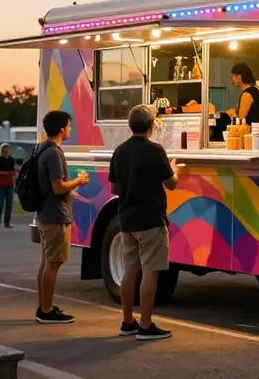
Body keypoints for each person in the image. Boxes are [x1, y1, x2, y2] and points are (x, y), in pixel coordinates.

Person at [109, 104, 178, 341]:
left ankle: (127, 322)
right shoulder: (155, 150)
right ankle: (146, 325)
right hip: (151, 219)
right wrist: (175, 168)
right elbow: (171, 183)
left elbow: (114, 188)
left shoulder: (119, 151)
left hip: (126, 219)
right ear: (151, 126)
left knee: (130, 270)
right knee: (150, 271)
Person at [34, 110, 90, 324]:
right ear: (61, 129)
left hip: (45, 214)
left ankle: (43, 307)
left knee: (46, 263)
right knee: (53, 264)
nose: (70, 129)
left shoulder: (42, 149)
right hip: (55, 216)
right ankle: (47, 311)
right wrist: (79, 180)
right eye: (69, 125)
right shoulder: (55, 153)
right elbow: (58, 188)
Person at [0, 143, 17, 228]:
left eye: (7, 150)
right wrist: (1, 173)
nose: (6, 151)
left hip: (9, 184)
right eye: (4, 150)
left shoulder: (11, 160)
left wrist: (14, 174)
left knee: (9, 204)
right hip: (0, 183)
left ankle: (7, 222)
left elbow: (15, 171)